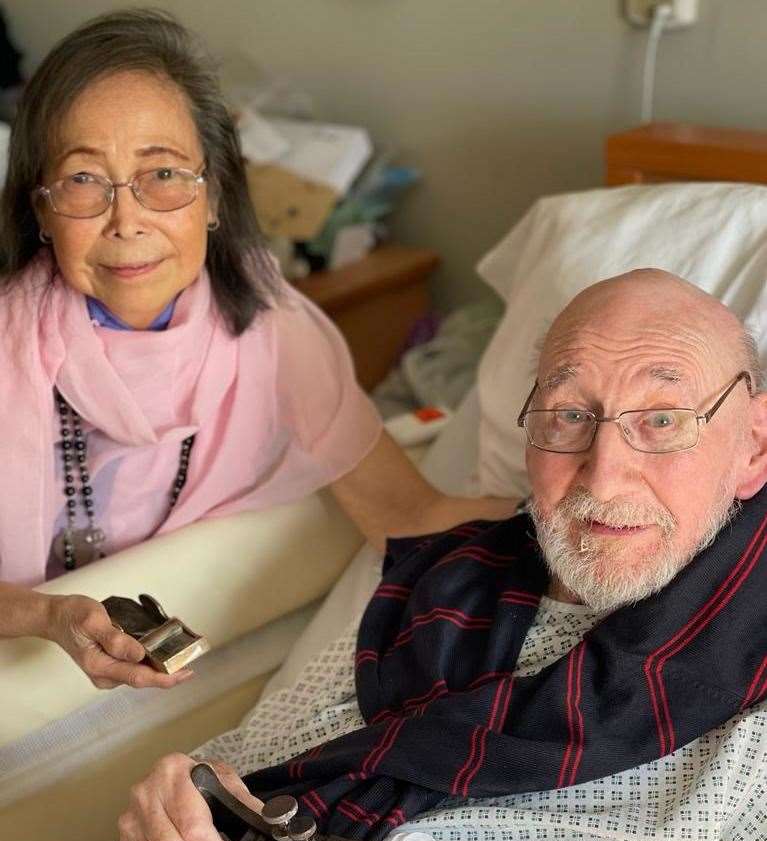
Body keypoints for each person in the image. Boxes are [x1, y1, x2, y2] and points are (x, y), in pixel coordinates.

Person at [100, 269, 767, 841]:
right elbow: (242, 776)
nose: (602, 476)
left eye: (660, 420)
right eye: (569, 416)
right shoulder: (444, 591)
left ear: (753, 445)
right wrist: (169, 819)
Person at [0, 9, 513, 692]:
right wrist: (48, 615)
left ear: (212, 194)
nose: (127, 222)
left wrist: (566, 524)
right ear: (40, 210)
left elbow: (408, 516)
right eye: (84, 181)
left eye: (162, 175)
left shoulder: (274, 333)